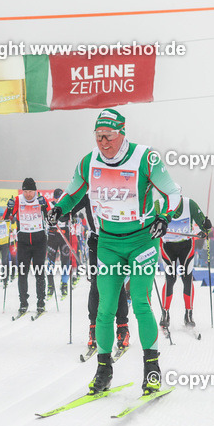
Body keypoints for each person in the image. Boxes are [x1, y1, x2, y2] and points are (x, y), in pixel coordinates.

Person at [51, 108, 180, 396]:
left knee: (140, 302)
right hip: (108, 243)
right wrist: (58, 209)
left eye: (108, 136)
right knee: (105, 307)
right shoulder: (89, 162)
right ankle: (103, 369)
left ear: (122, 133)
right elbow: (72, 193)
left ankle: (152, 368)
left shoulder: (145, 158)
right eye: (98, 136)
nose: (103, 142)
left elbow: (172, 193)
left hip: (142, 241)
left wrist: (164, 217)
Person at [65, 194, 131, 353]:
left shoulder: (116, 191)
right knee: (95, 284)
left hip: (116, 242)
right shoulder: (88, 194)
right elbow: (69, 207)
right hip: (96, 242)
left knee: (117, 284)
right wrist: (59, 212)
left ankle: (122, 328)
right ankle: (93, 329)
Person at [159, 194, 211, 328]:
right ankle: (165, 313)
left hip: (186, 246)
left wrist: (206, 228)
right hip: (167, 246)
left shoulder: (189, 204)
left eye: (177, 197)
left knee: (187, 278)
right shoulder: (159, 204)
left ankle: (188, 314)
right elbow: (147, 223)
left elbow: (204, 225)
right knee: (170, 279)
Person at [5, 178, 49, 317]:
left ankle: (41, 302)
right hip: (23, 242)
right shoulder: (18, 200)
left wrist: (44, 207)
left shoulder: (41, 199)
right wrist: (10, 207)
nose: (28, 194)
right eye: (25, 191)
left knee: (39, 272)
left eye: (30, 191)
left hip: (39, 241)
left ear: (35, 191)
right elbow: (7, 218)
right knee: (22, 273)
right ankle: (23, 302)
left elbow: (51, 217)